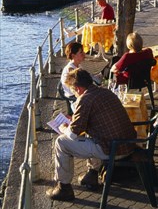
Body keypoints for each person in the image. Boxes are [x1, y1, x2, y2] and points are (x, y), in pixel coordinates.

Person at [46, 68, 137, 201]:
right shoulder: (105, 92)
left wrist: (63, 127)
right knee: (91, 134)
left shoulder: (85, 99)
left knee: (61, 143)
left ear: (77, 88)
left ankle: (63, 188)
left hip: (112, 150)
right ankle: (92, 175)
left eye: (73, 91)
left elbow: (72, 134)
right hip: (127, 144)